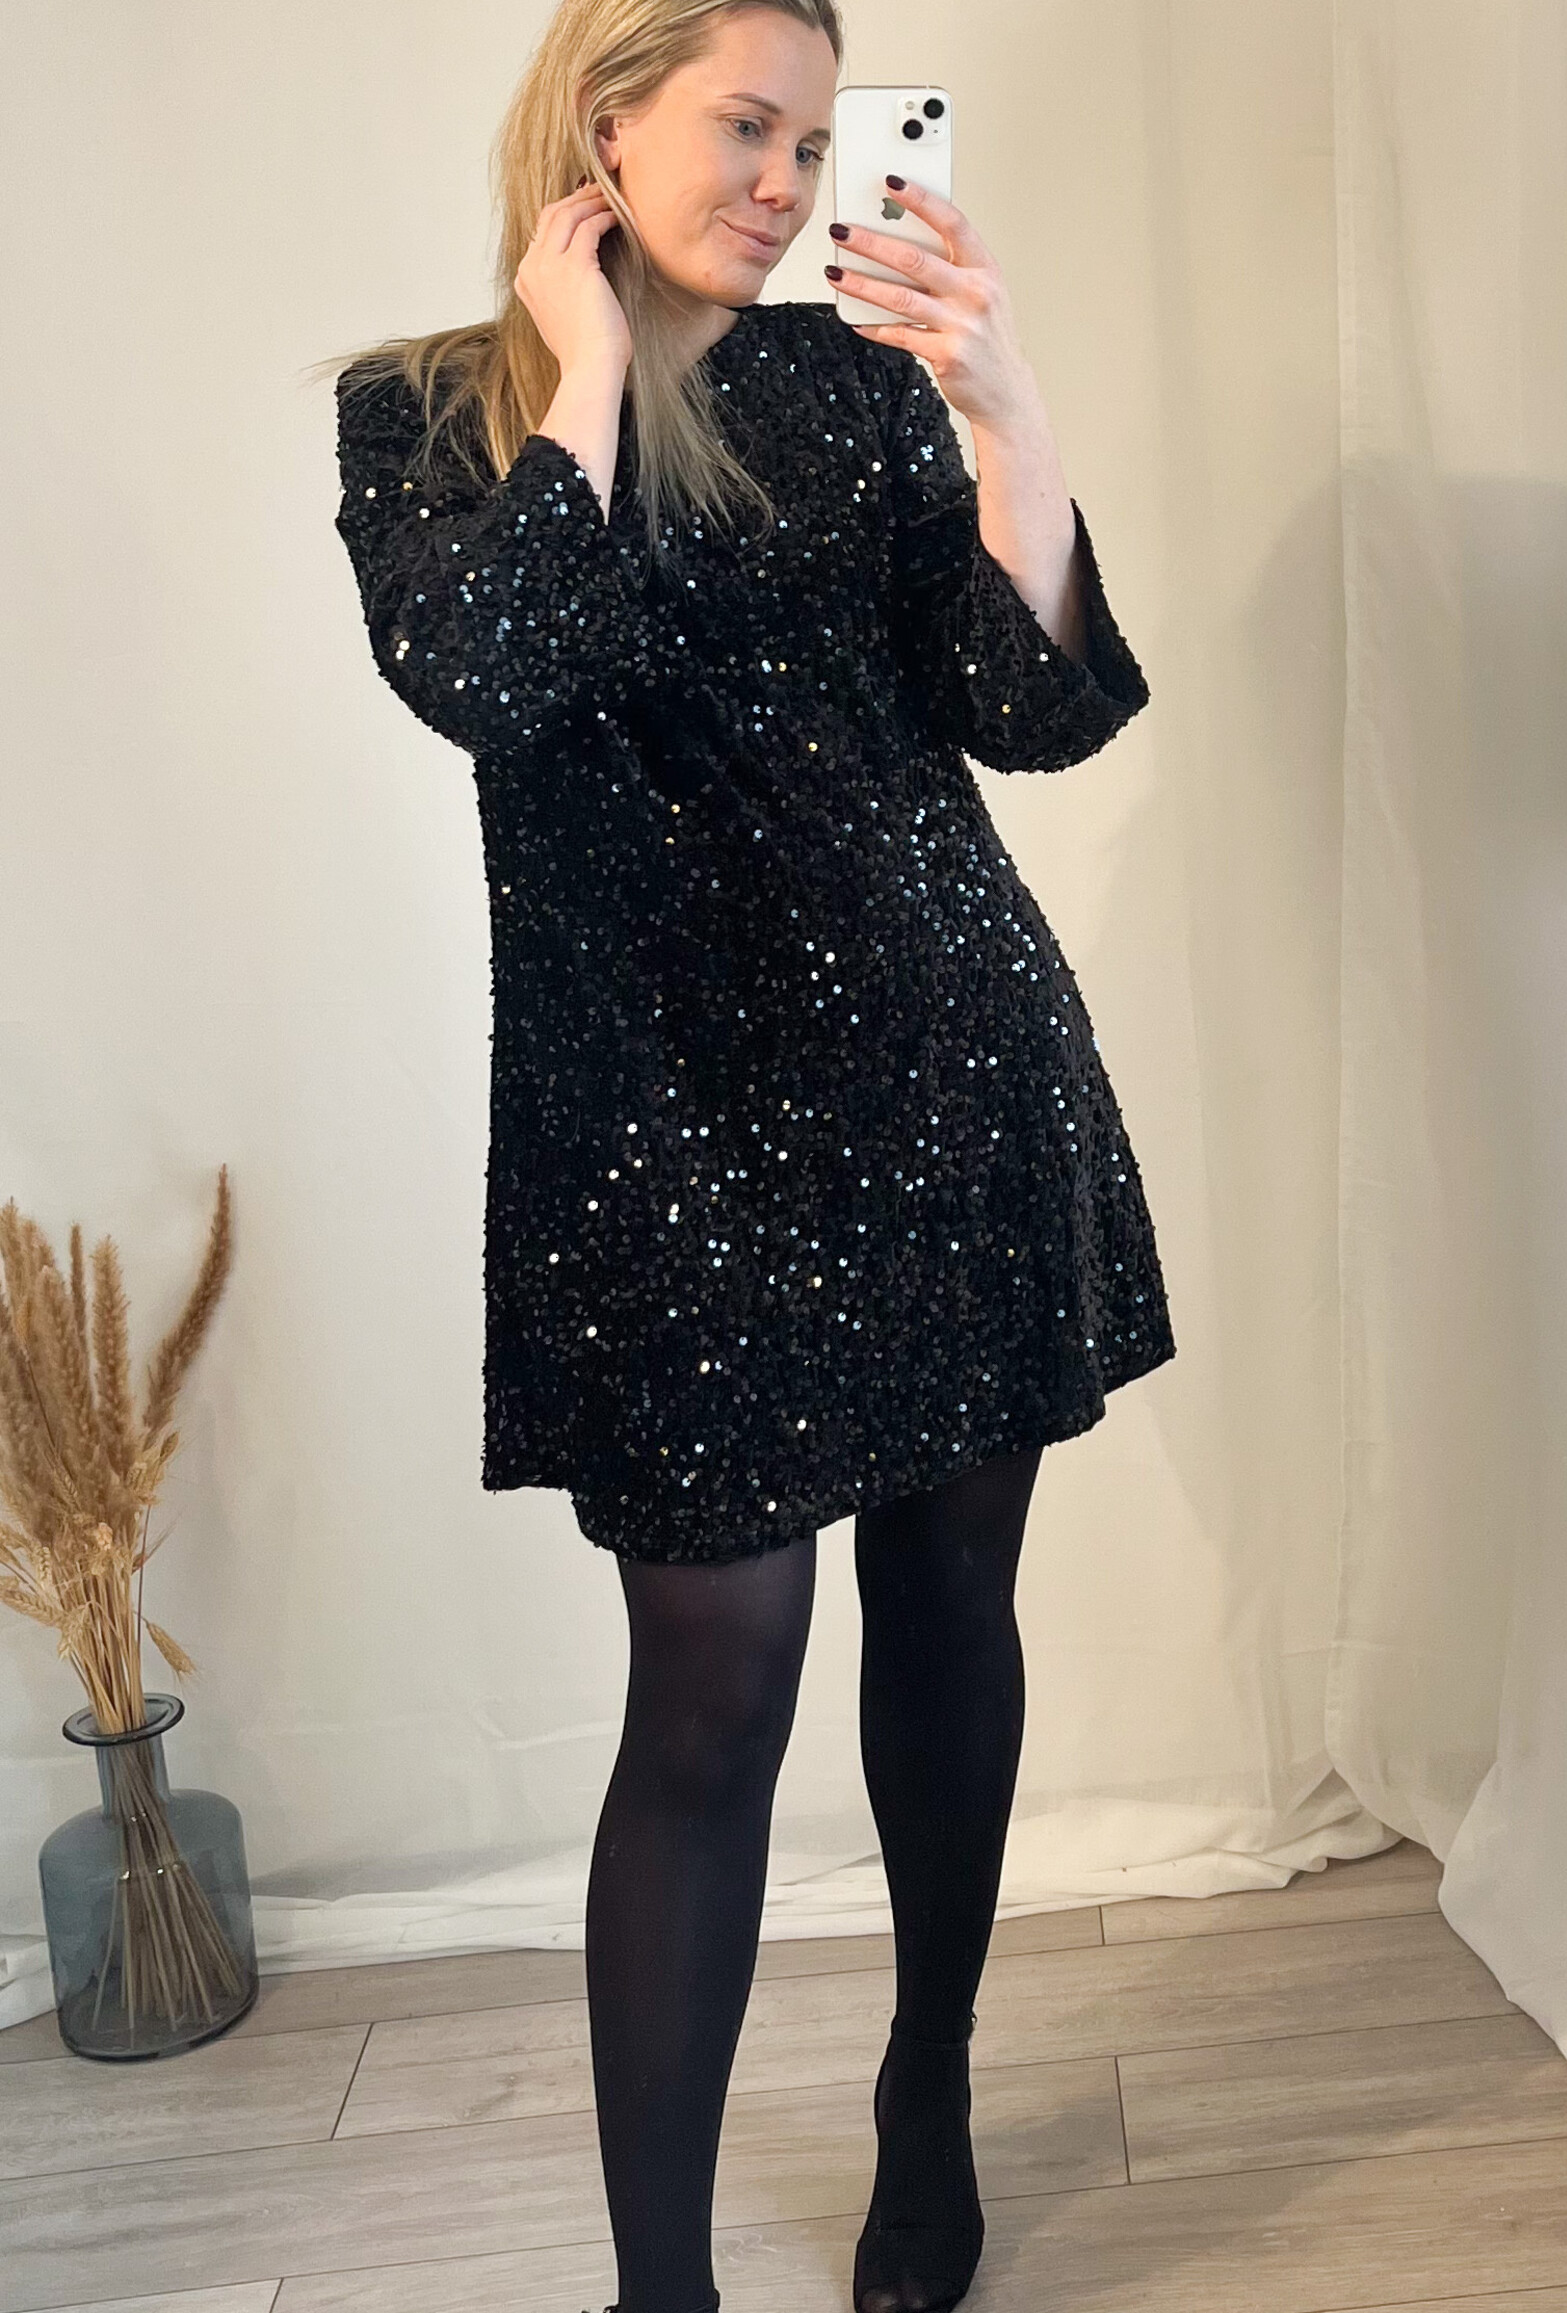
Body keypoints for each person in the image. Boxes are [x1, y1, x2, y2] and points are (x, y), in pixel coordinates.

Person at [328, 3, 1175, 2306]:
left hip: (944, 1085)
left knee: (948, 1611)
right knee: (708, 1689)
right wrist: (588, 371)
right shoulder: (427, 410)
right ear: (604, 119)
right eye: (744, 127)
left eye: (814, 139)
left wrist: (1001, 409)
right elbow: (490, 672)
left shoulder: (859, 389)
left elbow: (1029, 712)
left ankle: (929, 2081)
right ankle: (663, 2287)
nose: (789, 183)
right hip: (657, 1130)